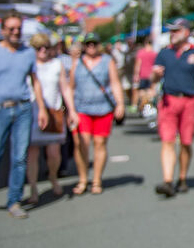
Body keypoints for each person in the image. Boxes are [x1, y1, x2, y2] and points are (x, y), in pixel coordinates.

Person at [0, 14, 48, 219]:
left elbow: (35, 81)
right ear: (3, 30)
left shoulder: (28, 53)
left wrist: (41, 108)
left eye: (18, 29)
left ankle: (14, 200)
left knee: (19, 157)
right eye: (11, 29)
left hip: (23, 109)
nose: (16, 32)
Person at [151, 19, 194, 197]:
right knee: (168, 141)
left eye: (176, 30)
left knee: (186, 142)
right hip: (169, 100)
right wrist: (154, 76)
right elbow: (153, 80)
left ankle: (183, 177)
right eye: (171, 31)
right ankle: (168, 181)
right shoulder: (164, 53)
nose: (172, 34)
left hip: (189, 101)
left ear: (186, 32)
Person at [69, 33, 125, 195]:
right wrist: (70, 110)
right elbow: (70, 88)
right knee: (82, 143)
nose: (91, 47)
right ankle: (82, 178)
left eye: (94, 43)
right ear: (84, 46)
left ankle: (97, 180)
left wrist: (120, 103)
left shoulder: (107, 61)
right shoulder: (77, 63)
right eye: (88, 44)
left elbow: (114, 83)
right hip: (82, 109)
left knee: (100, 143)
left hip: (103, 109)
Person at [26, 33, 78, 204]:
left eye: (46, 47)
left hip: (53, 112)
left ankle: (53, 176)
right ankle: (33, 187)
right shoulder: (28, 65)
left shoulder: (57, 64)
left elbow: (65, 88)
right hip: (31, 113)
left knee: (54, 153)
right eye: (38, 48)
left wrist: (71, 110)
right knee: (32, 154)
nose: (43, 51)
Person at [132, 38, 157, 117]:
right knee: (150, 92)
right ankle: (147, 107)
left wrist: (136, 74)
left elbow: (138, 64)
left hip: (142, 75)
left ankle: (143, 106)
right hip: (151, 75)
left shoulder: (141, 53)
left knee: (142, 92)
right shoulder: (154, 53)